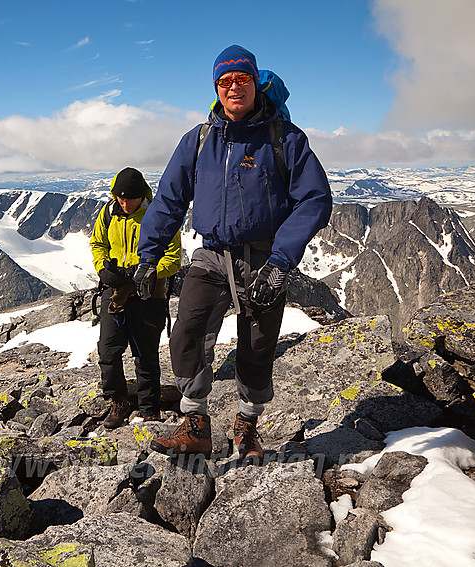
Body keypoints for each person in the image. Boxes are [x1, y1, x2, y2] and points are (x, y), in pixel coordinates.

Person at [133, 45, 332, 460]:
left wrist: (281, 262)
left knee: (257, 345)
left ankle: (247, 425)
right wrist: (148, 256)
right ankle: (195, 424)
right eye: (224, 82)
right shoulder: (200, 140)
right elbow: (169, 200)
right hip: (211, 255)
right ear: (215, 88)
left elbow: (314, 199)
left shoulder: (285, 138)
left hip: (264, 259)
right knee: (187, 331)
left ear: (256, 83)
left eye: (241, 79)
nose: (233, 88)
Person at [91, 167, 182, 429]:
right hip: (116, 290)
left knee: (145, 355)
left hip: (148, 294)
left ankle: (149, 409)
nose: (124, 203)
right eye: (120, 198)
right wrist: (103, 269)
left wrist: (148, 274)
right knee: (108, 351)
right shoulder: (109, 213)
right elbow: (98, 244)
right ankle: (118, 401)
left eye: (129, 199)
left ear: (141, 195)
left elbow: (173, 258)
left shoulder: (159, 215)